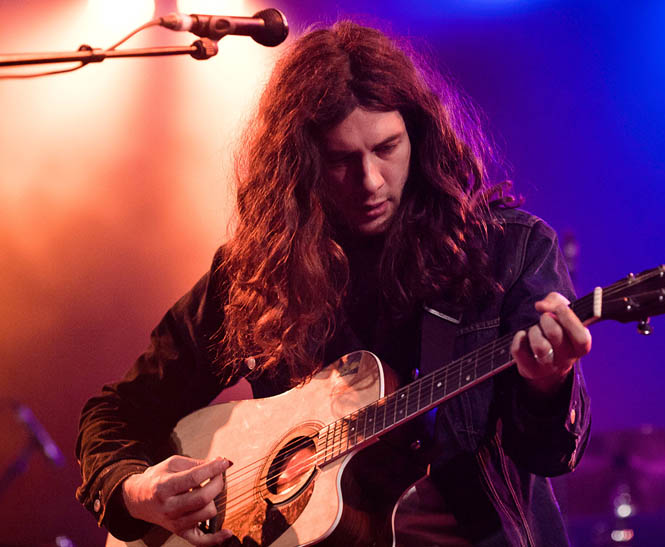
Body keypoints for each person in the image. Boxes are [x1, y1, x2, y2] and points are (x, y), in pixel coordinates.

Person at [76, 21, 591, 547]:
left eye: (387, 148)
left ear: (418, 134)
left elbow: (551, 455)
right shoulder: (256, 274)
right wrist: (137, 492)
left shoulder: (507, 252)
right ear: (300, 164)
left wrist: (549, 385)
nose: (369, 181)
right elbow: (115, 413)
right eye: (342, 160)